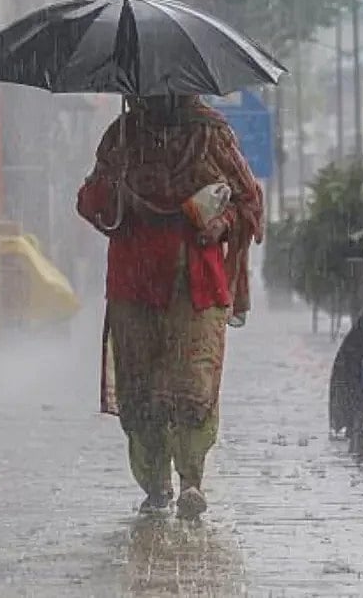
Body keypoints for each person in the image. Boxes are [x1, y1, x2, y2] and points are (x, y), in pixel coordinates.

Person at [77, 94, 263, 519]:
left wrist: (219, 221)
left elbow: (247, 200)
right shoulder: (122, 137)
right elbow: (91, 202)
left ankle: (191, 481)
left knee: (193, 383)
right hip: (135, 280)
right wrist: (117, 190)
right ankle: (155, 483)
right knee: (140, 387)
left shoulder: (211, 136)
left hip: (194, 279)